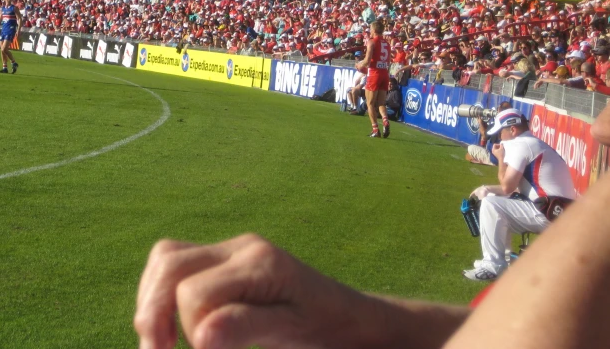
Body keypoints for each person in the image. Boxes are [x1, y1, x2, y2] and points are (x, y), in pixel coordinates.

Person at [134, 103, 610, 349]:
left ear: (509, 128)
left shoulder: (523, 145)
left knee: (488, 204)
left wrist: (490, 178)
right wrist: (367, 321)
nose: (600, 126)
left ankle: (492, 261)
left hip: (552, 218)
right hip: (557, 218)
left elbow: (505, 189)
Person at [463, 108, 575, 281]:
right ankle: (503, 259)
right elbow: (513, 188)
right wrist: (488, 189)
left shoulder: (522, 144)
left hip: (549, 213)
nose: (500, 137)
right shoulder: (532, 143)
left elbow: (507, 186)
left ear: (513, 130)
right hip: (558, 213)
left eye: (502, 132)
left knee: (491, 205)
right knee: (493, 200)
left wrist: (500, 160)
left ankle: (493, 265)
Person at [357, 20, 391, 138]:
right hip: (384, 73)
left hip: (374, 74)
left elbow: (367, 61)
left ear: (374, 30)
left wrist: (359, 65)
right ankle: (385, 120)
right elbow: (388, 61)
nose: (369, 31)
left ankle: (375, 129)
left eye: (370, 29)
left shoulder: (372, 42)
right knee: (381, 103)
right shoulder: (387, 43)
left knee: (370, 103)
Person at [465, 101, 512, 166]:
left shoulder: (498, 124)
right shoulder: (512, 123)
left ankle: (483, 161)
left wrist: (480, 123)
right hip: (507, 158)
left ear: (499, 110)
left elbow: (484, 134)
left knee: (470, 149)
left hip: (494, 158)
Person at [0, 0, 22, 74]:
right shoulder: (3, 9)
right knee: (2, 50)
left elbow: (19, 19)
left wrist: (18, 30)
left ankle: (13, 62)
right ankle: (5, 68)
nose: (9, 0)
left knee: (4, 48)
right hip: (3, 29)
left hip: (10, 29)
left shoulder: (14, 8)